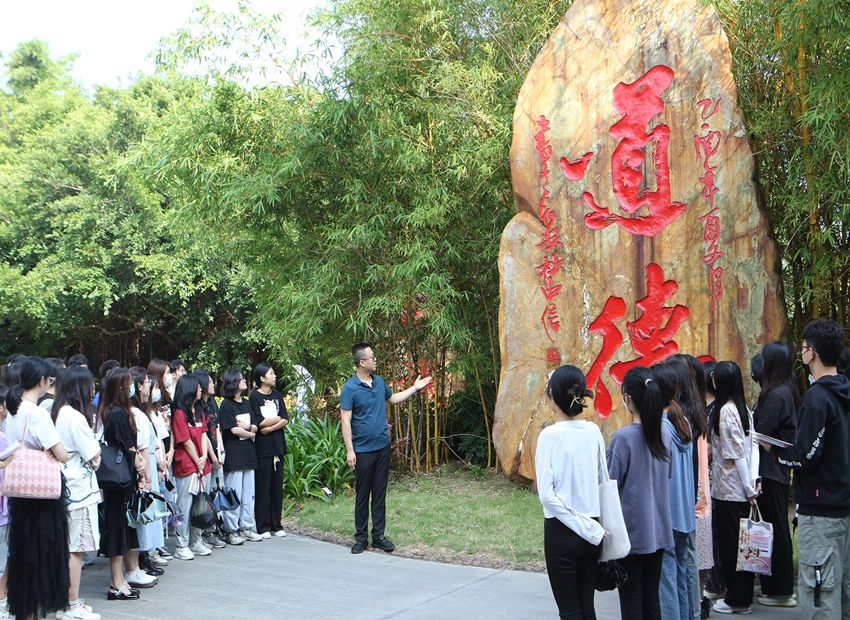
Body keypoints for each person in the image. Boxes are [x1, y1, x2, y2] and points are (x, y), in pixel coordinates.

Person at [766, 319, 850, 620]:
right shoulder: (843, 392)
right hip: (842, 503)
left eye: (802, 348)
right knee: (841, 589)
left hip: (820, 508)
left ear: (812, 352)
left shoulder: (818, 398)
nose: (801, 353)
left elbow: (806, 455)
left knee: (820, 593)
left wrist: (775, 452)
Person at [340, 342, 431, 554]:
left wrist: (414, 388)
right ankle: (361, 538)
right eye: (372, 357)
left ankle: (379, 536)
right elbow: (345, 421)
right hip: (362, 450)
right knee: (363, 495)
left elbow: (393, 399)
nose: (375, 359)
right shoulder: (349, 388)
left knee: (379, 494)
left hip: (382, 447)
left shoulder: (379, 382)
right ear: (362, 362)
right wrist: (350, 450)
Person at [3, 356, 71, 619]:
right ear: (42, 381)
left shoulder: (14, 409)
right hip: (42, 495)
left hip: (21, 490)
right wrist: (55, 452)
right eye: (50, 380)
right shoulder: (38, 413)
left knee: (23, 555)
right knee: (43, 556)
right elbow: (62, 454)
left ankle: (25, 613)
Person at [534, 365, 604, 620]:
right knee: (587, 607)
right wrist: (591, 527)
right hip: (592, 529)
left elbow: (546, 496)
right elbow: (603, 481)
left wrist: (581, 525)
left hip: (562, 531)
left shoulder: (549, 436)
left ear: (552, 395)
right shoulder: (593, 431)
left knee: (570, 611)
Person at [607, 367, 672, 620]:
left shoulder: (623, 438)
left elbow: (609, 484)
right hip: (659, 529)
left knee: (631, 597)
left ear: (628, 399)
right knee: (650, 595)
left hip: (631, 532)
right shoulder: (664, 433)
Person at [52, 366, 103, 620]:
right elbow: (94, 455)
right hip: (79, 491)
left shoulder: (56, 412)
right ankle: (71, 605)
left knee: (67, 547)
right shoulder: (75, 417)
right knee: (77, 548)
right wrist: (96, 456)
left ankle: (65, 601)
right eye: (90, 384)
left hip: (63, 488)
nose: (92, 389)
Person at [709, 361, 758, 615]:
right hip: (741, 488)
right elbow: (753, 446)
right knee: (744, 547)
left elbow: (736, 454)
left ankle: (736, 600)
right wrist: (754, 480)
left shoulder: (726, 411)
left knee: (732, 548)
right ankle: (742, 597)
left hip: (729, 490)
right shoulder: (743, 408)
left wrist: (748, 487)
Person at [752, 342, 798, 608]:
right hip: (776, 469)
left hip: (771, 470)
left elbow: (761, 432)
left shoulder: (776, 395)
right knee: (776, 526)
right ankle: (776, 587)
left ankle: (780, 590)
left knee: (775, 528)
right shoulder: (785, 390)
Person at [653, 363, 695, 620]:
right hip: (684, 512)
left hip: (668, 512)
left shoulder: (660, 426)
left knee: (667, 579)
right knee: (680, 573)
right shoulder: (682, 421)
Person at [98, 368, 144, 600]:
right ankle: (115, 582)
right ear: (119, 387)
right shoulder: (117, 414)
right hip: (120, 479)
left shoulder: (110, 411)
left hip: (119, 478)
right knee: (116, 528)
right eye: (128, 383)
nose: (131, 386)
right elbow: (127, 446)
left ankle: (119, 579)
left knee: (119, 527)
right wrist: (140, 465)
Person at [125, 367, 164, 584]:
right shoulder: (136, 414)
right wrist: (146, 477)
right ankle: (139, 560)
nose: (151, 388)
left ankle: (145, 556)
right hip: (144, 466)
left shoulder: (142, 412)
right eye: (148, 383)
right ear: (139, 386)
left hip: (148, 465)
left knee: (148, 516)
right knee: (142, 515)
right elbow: (140, 449)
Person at [170, 374, 214, 560]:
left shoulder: (199, 410)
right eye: (197, 387)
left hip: (201, 464)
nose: (200, 390)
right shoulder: (180, 412)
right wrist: (197, 460)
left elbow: (203, 434)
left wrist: (203, 457)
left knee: (200, 504)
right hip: (186, 465)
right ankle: (181, 544)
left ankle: (196, 541)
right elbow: (186, 441)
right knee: (184, 506)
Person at [218, 368, 262, 545]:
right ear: (233, 382)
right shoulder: (226, 405)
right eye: (241, 379)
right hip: (234, 455)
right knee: (234, 493)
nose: (244, 381)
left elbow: (255, 425)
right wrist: (250, 432)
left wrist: (248, 429)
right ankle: (231, 530)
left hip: (249, 454)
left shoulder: (246, 403)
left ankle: (247, 527)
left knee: (248, 494)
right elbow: (233, 430)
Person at [249, 362, 289, 539]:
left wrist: (270, 427)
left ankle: (276, 524)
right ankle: (262, 525)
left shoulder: (277, 395)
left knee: (276, 488)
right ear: (262, 378)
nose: (274, 376)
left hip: (277, 446)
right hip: (262, 449)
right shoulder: (254, 397)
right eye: (271, 374)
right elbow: (259, 422)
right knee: (263, 487)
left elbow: (284, 418)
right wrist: (273, 421)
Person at [193, 369, 225, 550]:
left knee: (215, 493)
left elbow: (216, 428)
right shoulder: (198, 407)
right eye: (211, 382)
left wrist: (221, 451)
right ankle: (205, 533)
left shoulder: (212, 403)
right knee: (205, 497)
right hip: (205, 456)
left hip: (216, 454)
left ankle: (213, 530)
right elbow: (203, 435)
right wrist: (212, 457)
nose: (213, 385)